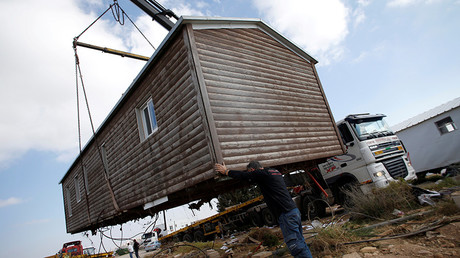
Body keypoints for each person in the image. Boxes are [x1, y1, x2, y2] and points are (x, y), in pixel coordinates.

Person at [215, 161, 313, 258]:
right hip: (293, 211)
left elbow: (243, 175)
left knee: (295, 246)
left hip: (286, 214)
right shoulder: (274, 171)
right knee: (300, 243)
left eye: (251, 172)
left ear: (252, 170)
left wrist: (226, 171)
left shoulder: (261, 173)